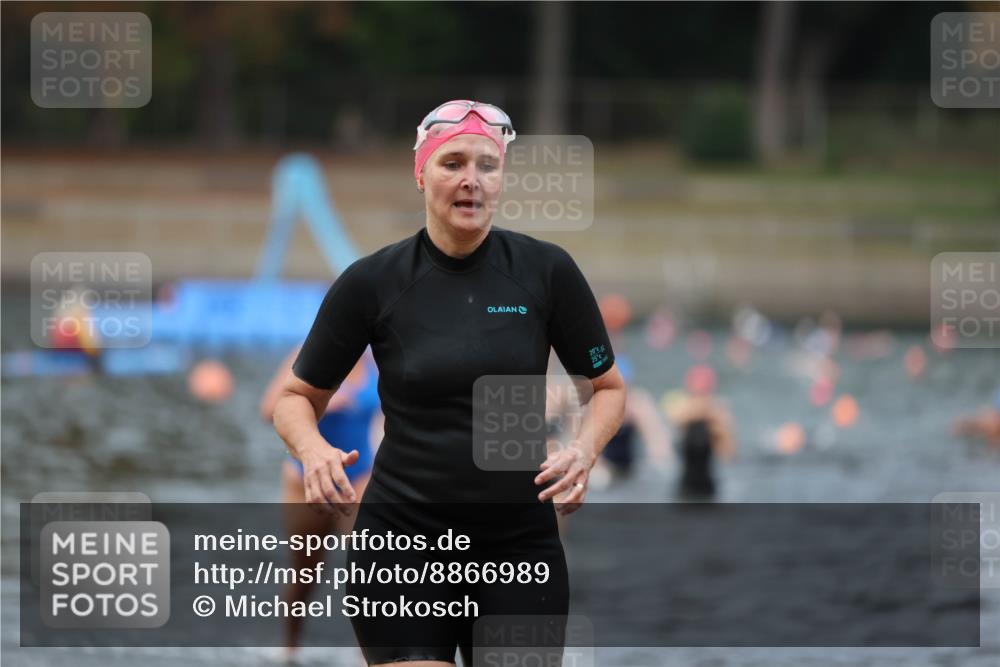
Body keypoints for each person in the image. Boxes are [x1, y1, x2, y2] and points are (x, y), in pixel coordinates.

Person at [272, 100, 626, 667]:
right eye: (453, 163)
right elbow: (294, 399)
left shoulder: (545, 273)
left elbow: (606, 388)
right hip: (402, 543)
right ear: (421, 173)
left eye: (487, 165)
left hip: (518, 547)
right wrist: (313, 451)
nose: (471, 180)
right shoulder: (372, 283)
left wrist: (584, 451)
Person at [261, 346, 381, 659]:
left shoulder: (378, 359)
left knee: (370, 572)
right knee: (305, 573)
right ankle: (289, 649)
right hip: (306, 479)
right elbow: (270, 409)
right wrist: (324, 405)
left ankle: (369, 657)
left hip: (359, 479)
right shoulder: (307, 354)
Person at [668, 365, 736, 500]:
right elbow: (676, 419)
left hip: (708, 487)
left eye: (704, 394)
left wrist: (719, 427)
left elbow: (729, 454)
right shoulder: (683, 408)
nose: (701, 398)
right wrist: (707, 410)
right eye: (698, 394)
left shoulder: (716, 418)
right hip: (685, 486)